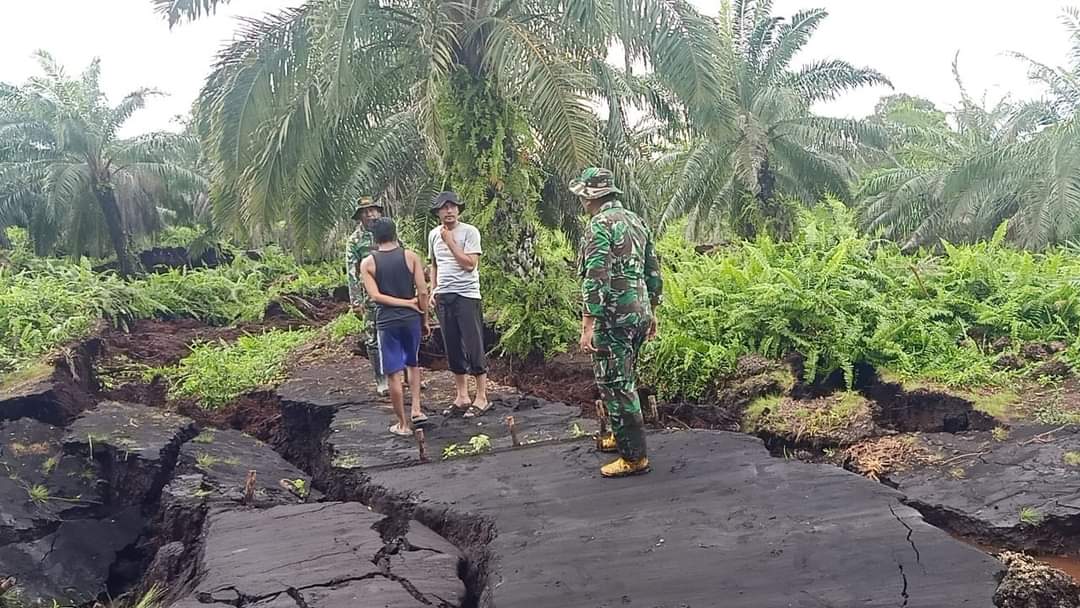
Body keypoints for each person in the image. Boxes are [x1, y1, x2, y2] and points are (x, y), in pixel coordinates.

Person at [571, 167, 663, 478]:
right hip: (637, 312)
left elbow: (597, 276)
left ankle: (634, 457)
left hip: (613, 316)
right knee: (621, 377)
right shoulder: (636, 221)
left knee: (616, 384)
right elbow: (653, 270)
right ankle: (618, 436)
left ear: (591, 196)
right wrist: (652, 310)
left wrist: (588, 324)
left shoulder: (599, 225)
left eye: (584, 195)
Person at [360, 218, 431, 437]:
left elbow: (375, 296)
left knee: (393, 374)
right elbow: (422, 292)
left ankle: (402, 424)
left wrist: (405, 304)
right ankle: (417, 409)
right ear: (395, 233)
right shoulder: (410, 257)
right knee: (413, 362)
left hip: (387, 322)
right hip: (411, 319)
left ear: (374, 237)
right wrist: (424, 317)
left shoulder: (368, 263)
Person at [428, 191, 489, 417]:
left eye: (453, 206)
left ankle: (481, 396)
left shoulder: (469, 232)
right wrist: (434, 289)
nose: (449, 211)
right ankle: (462, 396)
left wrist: (451, 242)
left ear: (459, 209)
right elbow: (433, 264)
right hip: (445, 296)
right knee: (452, 345)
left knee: (473, 344)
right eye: (444, 207)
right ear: (437, 212)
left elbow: (469, 264)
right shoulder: (433, 234)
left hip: (467, 295)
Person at [345, 196, 388, 395]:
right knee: (373, 339)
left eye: (373, 210)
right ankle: (381, 380)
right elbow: (352, 272)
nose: (371, 214)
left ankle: (405, 375)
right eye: (366, 212)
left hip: (394, 293)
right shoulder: (355, 240)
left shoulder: (388, 232)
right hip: (370, 296)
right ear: (360, 216)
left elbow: (403, 256)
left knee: (398, 335)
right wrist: (355, 301)